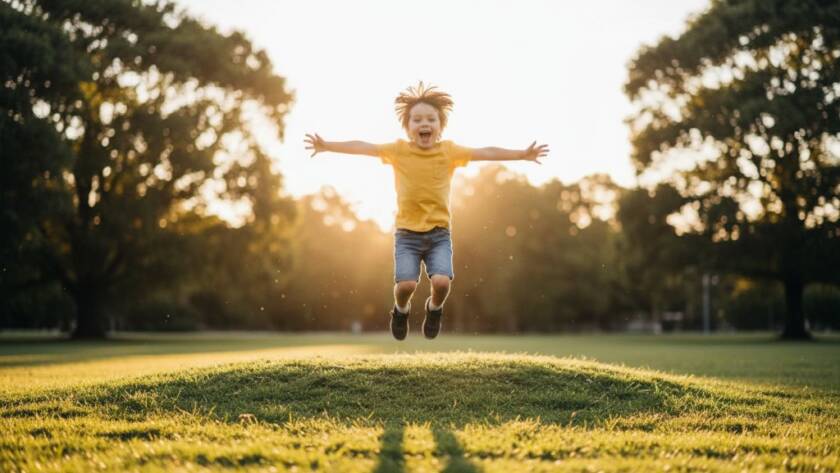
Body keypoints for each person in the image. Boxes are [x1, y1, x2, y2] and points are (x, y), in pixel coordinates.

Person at [304, 82, 549, 340]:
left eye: (431, 119)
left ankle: (435, 309)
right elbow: (364, 147)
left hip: (439, 234)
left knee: (442, 282)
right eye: (417, 119)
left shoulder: (449, 152)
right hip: (407, 235)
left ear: (440, 127)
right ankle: (401, 310)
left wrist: (522, 154)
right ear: (408, 127)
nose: (425, 123)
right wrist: (328, 145)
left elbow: (485, 152)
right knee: (406, 285)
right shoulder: (398, 151)